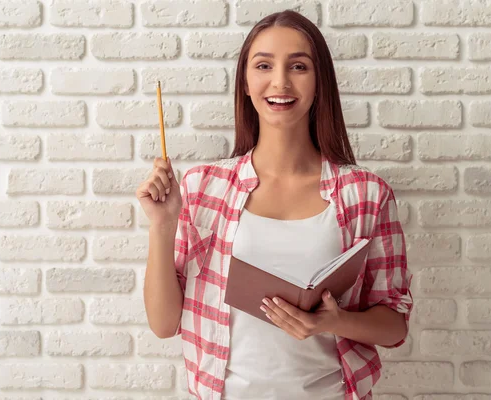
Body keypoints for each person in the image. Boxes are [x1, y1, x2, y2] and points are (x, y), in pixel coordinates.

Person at [137, 10, 413, 400]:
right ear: (246, 83)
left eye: (298, 66)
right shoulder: (202, 188)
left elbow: (395, 325)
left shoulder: (367, 194)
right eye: (263, 65)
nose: (280, 81)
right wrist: (162, 225)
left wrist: (334, 322)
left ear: (320, 83)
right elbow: (165, 324)